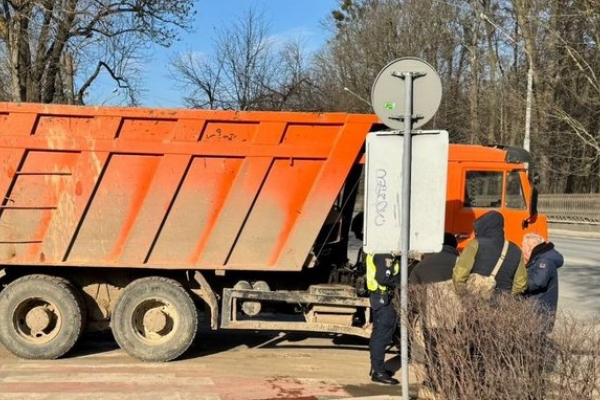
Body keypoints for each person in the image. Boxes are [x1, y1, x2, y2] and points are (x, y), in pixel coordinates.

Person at [409, 233, 460, 390]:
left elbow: (413, 293)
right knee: (456, 350)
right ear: (454, 246)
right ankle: (454, 382)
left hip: (430, 315)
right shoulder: (460, 264)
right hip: (455, 316)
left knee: (432, 350)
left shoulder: (422, 265)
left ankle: (432, 380)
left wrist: (418, 309)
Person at [453, 210, 527, 296]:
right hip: (504, 304)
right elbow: (521, 284)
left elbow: (460, 275)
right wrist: (508, 299)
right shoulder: (516, 250)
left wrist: (464, 296)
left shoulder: (475, 244)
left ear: (482, 227)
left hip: (476, 300)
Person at [366, 252, 400, 385]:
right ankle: (378, 372)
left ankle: (377, 368)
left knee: (380, 334)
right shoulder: (384, 253)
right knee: (382, 335)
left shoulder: (378, 251)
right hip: (385, 298)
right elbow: (383, 278)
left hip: (381, 297)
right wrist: (402, 281)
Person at [522, 233, 564, 330]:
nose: (521, 249)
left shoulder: (544, 262)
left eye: (522, 246)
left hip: (538, 315)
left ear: (529, 249)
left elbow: (536, 282)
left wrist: (516, 284)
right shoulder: (539, 259)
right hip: (537, 312)